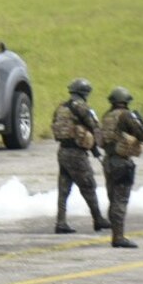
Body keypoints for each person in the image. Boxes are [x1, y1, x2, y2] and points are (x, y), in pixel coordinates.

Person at [98, 85, 143, 248]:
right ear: (125, 102)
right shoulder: (126, 116)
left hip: (108, 161)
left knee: (112, 198)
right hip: (122, 162)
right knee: (120, 200)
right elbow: (141, 133)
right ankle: (118, 237)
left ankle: (116, 233)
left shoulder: (107, 116)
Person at [50, 77, 110, 234]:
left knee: (63, 189)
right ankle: (98, 219)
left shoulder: (61, 107)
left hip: (62, 151)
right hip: (77, 153)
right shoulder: (82, 107)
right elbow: (94, 127)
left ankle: (61, 222)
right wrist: (97, 147)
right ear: (85, 93)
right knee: (88, 186)